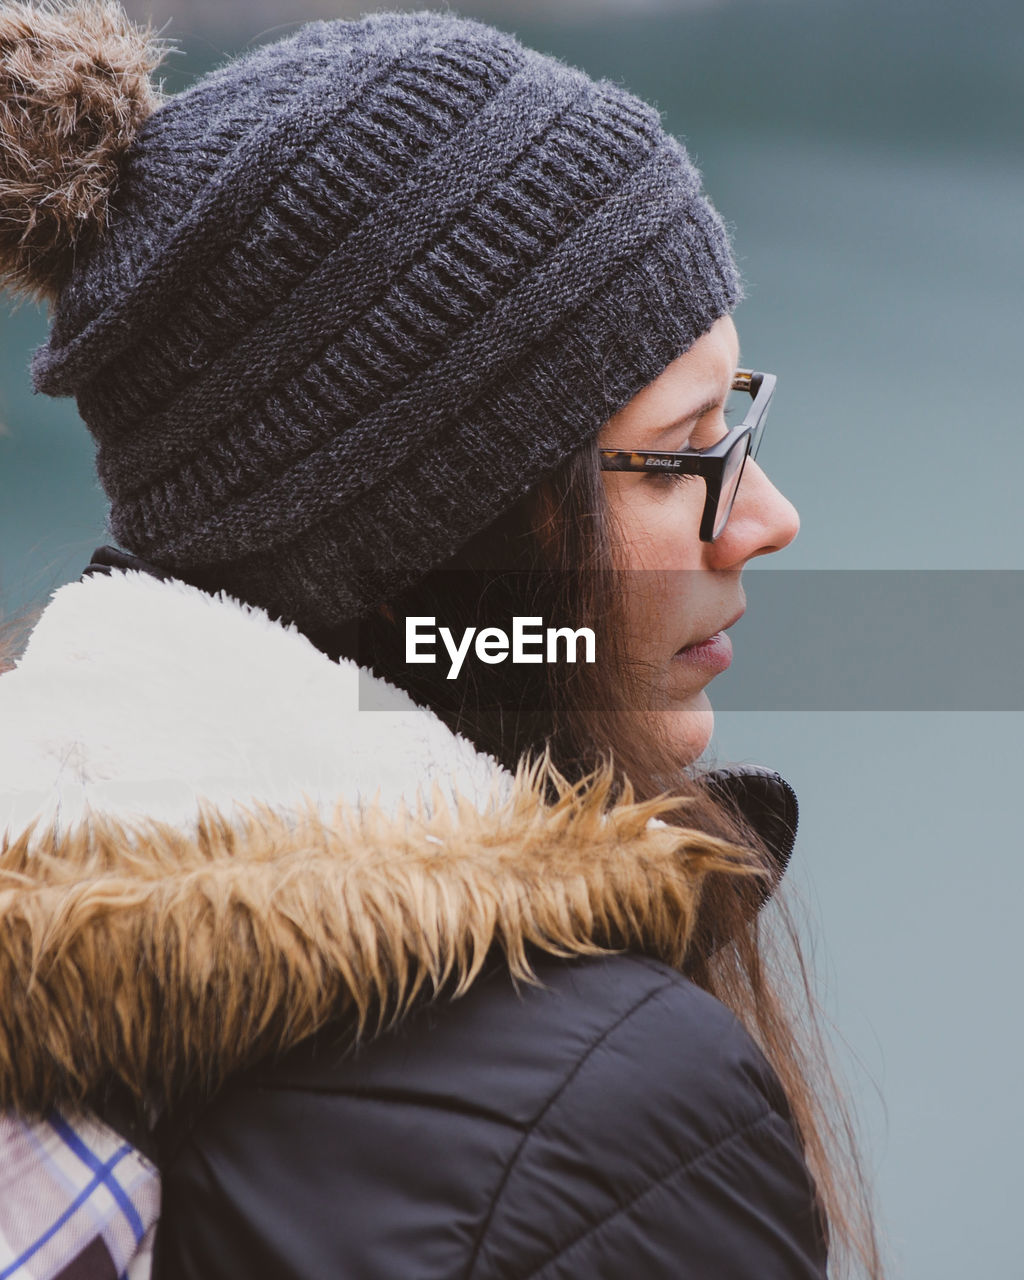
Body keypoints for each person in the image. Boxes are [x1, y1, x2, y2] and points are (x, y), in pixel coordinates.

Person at [0, 3, 882, 1277]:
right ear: (435, 532)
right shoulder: (608, 1110)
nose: (768, 519)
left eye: (737, 420)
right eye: (686, 455)